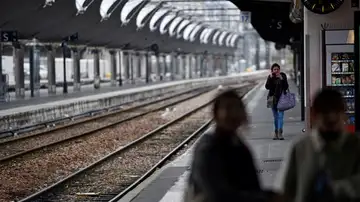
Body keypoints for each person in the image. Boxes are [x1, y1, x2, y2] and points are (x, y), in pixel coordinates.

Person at [183, 89, 275, 202]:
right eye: (227, 108)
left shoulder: (239, 146)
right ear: (216, 114)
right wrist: (267, 198)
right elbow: (218, 195)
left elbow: (251, 187)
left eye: (237, 108)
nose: (233, 113)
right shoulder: (208, 148)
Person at [278, 88, 360, 202]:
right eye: (325, 113)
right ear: (313, 115)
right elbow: (286, 190)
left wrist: (336, 189)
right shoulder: (300, 147)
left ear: (343, 115)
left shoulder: (355, 146)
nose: (331, 117)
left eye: (336, 112)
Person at [265, 63, 289, 140]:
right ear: (272, 70)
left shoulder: (283, 75)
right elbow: (267, 87)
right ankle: (276, 132)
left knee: (281, 116)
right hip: (272, 99)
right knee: (275, 117)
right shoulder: (270, 76)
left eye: (277, 69)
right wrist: (270, 79)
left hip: (281, 98)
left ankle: (280, 132)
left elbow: (286, 87)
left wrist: (281, 79)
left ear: (279, 70)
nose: (276, 71)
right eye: (274, 69)